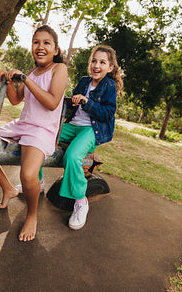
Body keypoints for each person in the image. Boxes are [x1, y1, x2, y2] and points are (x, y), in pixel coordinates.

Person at [0, 25, 68, 242]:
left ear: (56, 50)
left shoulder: (58, 70)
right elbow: (15, 99)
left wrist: (25, 79)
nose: (40, 47)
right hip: (23, 124)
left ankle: (32, 215)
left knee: (29, 175)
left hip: (42, 129)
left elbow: (51, 103)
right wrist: (9, 79)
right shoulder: (31, 72)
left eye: (46, 43)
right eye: (36, 42)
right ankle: (8, 189)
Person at [58, 45, 123, 230]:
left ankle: (80, 201)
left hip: (91, 130)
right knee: (43, 136)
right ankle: (37, 182)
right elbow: (72, 106)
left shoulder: (109, 85)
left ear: (110, 68)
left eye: (102, 62)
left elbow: (107, 114)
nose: (97, 65)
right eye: (94, 61)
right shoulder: (84, 81)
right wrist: (71, 101)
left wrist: (87, 103)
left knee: (72, 156)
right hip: (72, 125)